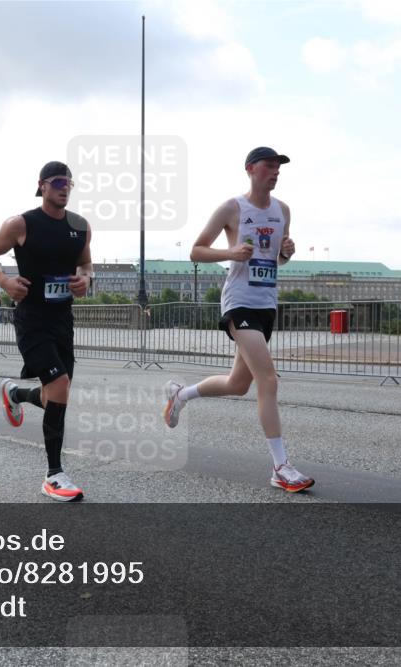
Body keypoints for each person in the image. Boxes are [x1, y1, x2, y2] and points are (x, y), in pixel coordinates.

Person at [163, 146, 314, 493]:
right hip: (239, 302)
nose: (275, 171)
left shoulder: (283, 210)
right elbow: (196, 250)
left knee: (238, 384)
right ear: (251, 169)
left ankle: (181, 395)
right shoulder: (233, 207)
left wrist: (286, 253)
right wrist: (230, 252)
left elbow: (276, 258)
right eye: (269, 165)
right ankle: (280, 467)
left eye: (279, 167)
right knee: (268, 379)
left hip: (266, 303)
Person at [0, 161, 93, 502]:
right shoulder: (21, 223)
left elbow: (86, 264)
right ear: (42, 185)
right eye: (58, 181)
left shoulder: (80, 226)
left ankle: (15, 394)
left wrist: (85, 279)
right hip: (31, 319)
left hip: (63, 320)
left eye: (69, 183)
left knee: (54, 395)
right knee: (59, 385)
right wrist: (4, 281)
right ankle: (54, 475)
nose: (64, 187)